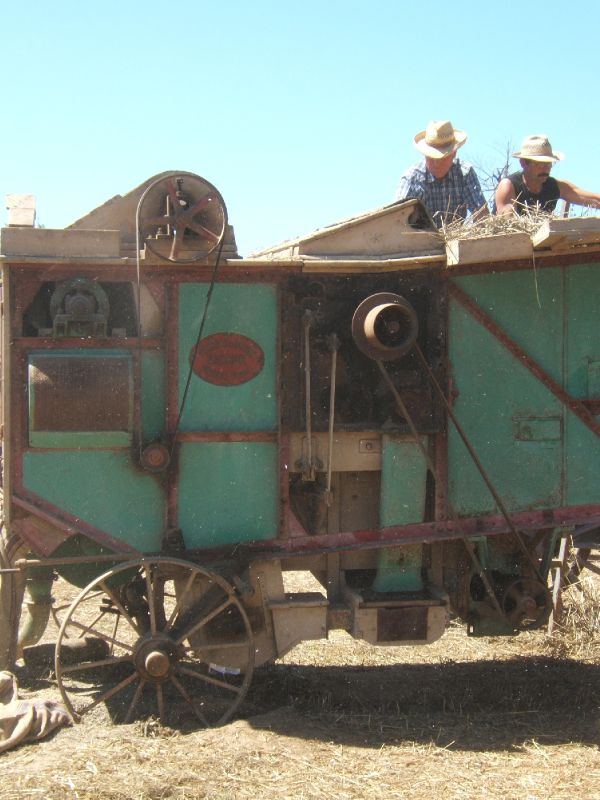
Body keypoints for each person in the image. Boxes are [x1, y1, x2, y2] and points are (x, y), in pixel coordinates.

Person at [395, 120, 488, 228]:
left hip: (457, 240)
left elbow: (482, 216)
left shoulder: (465, 173)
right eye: (431, 156)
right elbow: (396, 220)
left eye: (442, 157)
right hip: (418, 242)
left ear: (454, 154)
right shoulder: (411, 179)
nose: (436, 162)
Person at [495, 134, 600, 215]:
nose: (545, 168)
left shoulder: (556, 186)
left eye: (548, 164)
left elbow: (590, 198)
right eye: (539, 164)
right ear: (523, 163)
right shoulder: (509, 186)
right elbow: (507, 220)